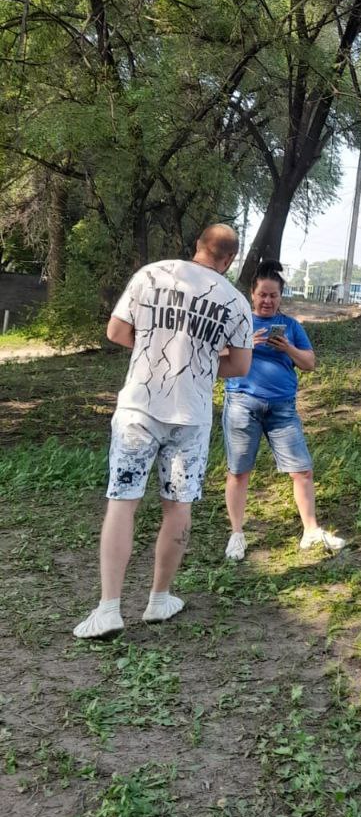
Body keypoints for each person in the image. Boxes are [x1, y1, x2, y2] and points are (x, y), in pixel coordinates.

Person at [74, 224, 253, 639]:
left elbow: (116, 331)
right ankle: (159, 598)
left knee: (122, 502)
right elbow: (240, 367)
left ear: (197, 246)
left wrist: (153, 346)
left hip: (139, 407)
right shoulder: (235, 302)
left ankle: (108, 608)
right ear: (229, 259)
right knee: (178, 507)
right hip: (190, 415)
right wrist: (204, 361)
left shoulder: (152, 275)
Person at [222, 260, 345, 560]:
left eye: (273, 295)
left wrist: (287, 347)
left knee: (302, 470)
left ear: (280, 297)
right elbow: (217, 358)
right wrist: (246, 345)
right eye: (263, 294)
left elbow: (310, 364)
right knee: (239, 472)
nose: (267, 301)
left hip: (282, 408)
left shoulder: (291, 326)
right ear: (252, 294)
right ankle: (237, 534)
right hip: (242, 404)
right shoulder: (239, 323)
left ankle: (311, 531)